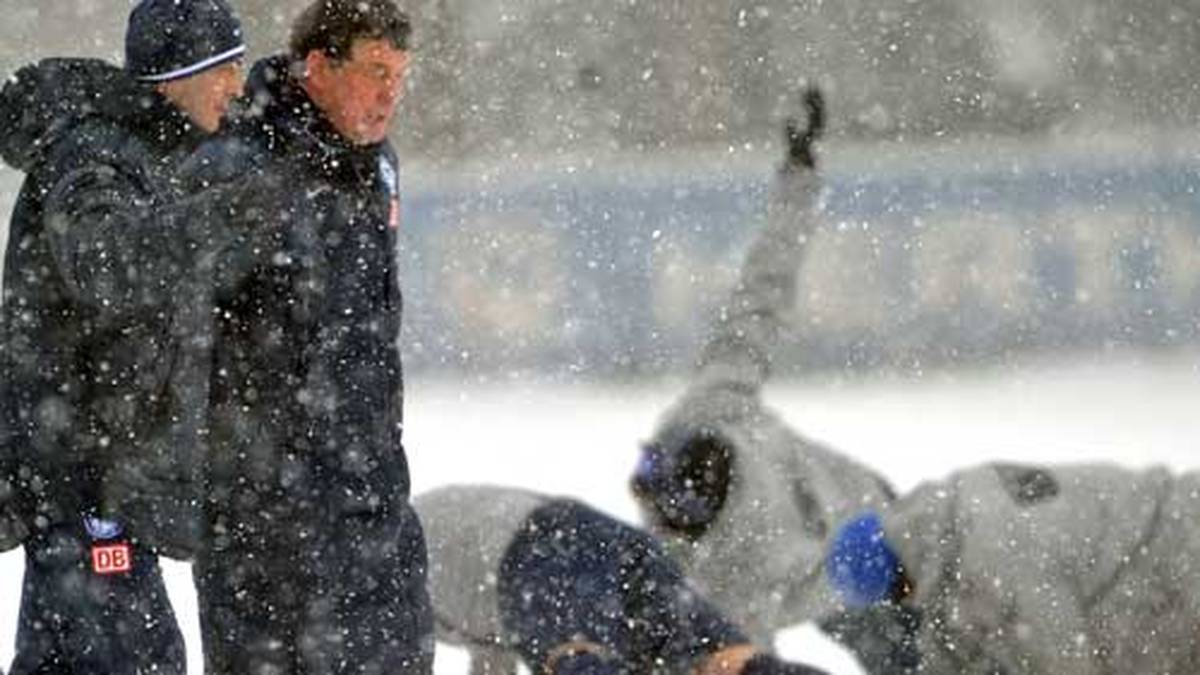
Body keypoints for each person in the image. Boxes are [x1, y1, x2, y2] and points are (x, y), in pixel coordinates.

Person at [633, 97, 1200, 673]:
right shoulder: (725, 578)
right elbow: (741, 658)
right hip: (870, 592)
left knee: (1006, 611)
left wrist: (797, 183)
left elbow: (762, 289)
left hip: (895, 528)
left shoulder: (713, 404)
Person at [184, 1, 433, 672]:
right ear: (319, 67)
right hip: (263, 515)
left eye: (400, 76)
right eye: (375, 71)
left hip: (372, 497)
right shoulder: (236, 163)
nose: (390, 94)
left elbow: (372, 333)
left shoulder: (378, 166)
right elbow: (184, 332)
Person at [0, 1, 247, 672]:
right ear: (176, 75)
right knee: (137, 658)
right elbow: (103, 263)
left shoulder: (151, 153)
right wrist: (214, 221)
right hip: (86, 476)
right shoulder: (96, 155)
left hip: (100, 476)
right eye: (224, 68)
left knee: (73, 657)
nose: (236, 86)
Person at [415, 485, 830, 675]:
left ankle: (743, 662)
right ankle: (748, 663)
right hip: (576, 539)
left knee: (589, 650)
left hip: (535, 553)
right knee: (691, 629)